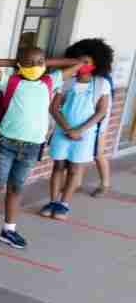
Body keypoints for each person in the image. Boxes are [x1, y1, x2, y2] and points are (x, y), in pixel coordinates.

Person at [0, 47, 81, 250]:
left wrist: (44, 63)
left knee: (16, 188)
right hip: (5, 143)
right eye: (30, 63)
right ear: (20, 65)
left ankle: (9, 230)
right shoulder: (10, 82)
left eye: (39, 62)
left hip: (32, 147)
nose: (35, 66)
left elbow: (77, 64)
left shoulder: (50, 82)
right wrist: (15, 62)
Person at [40, 58, 111, 219]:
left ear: (95, 64)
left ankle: (63, 204)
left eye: (87, 61)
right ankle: (53, 201)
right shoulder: (67, 82)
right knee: (58, 166)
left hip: (85, 134)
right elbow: (54, 108)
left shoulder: (100, 84)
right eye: (80, 61)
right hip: (62, 131)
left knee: (74, 169)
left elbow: (101, 111)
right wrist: (67, 129)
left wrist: (79, 130)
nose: (83, 64)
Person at [64, 38, 116, 197]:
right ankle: (76, 183)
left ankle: (105, 183)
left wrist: (99, 127)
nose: (81, 64)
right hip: (80, 121)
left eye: (85, 61)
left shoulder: (102, 81)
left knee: (97, 153)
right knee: (78, 154)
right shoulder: (75, 79)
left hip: (97, 124)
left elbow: (104, 108)